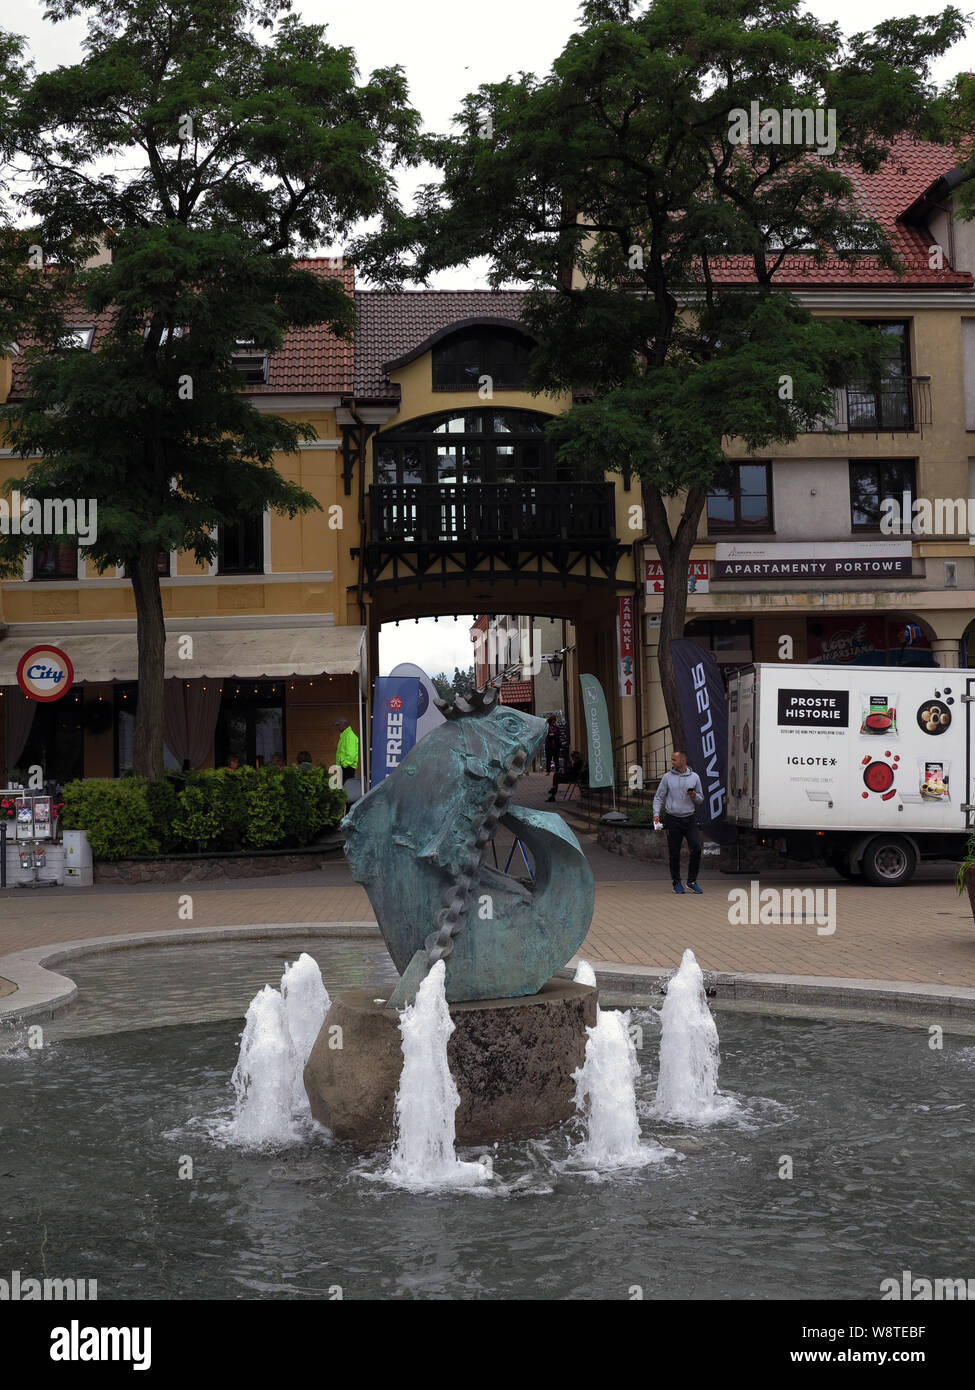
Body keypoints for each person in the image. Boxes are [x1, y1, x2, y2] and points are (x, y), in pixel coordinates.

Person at [653, 750, 704, 894]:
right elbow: (658, 797)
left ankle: (691, 881)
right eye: (672, 760)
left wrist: (694, 795)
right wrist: (656, 814)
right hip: (673, 819)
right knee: (674, 853)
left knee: (696, 848)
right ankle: (676, 883)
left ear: (683, 760)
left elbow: (701, 799)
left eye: (674, 760)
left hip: (690, 819)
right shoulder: (667, 778)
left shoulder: (694, 777)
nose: (672, 762)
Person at [334, 718, 359, 784]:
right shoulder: (344, 735)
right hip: (344, 767)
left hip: (347, 768)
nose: (338, 727)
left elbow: (351, 753)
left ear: (345, 724)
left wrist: (344, 764)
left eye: (339, 725)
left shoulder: (349, 735)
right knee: (343, 789)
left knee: (346, 789)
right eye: (337, 725)